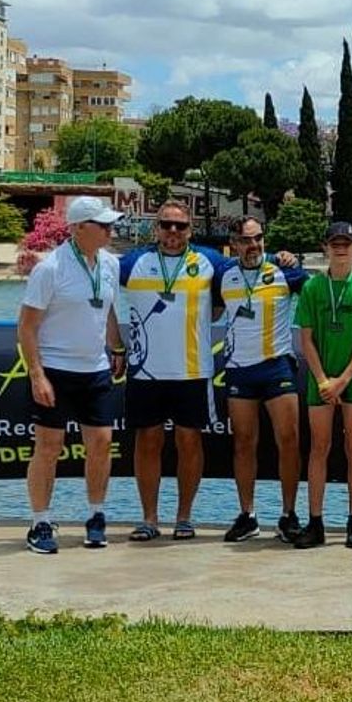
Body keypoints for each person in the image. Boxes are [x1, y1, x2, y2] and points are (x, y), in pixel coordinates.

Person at [17, 196, 126, 553]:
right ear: (79, 228)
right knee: (49, 447)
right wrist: (37, 375)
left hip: (94, 369)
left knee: (101, 443)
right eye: (103, 225)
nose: (111, 230)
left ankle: (95, 516)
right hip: (56, 370)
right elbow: (27, 327)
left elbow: (106, 307)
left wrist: (117, 346)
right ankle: (40, 522)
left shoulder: (109, 263)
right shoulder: (50, 269)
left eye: (111, 224)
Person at [118, 200, 228, 542]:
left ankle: (184, 517)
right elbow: (92, 277)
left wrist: (282, 259)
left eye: (180, 226)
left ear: (190, 230)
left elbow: (252, 266)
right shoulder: (134, 262)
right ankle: (149, 519)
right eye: (166, 224)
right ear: (156, 227)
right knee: (147, 442)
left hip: (192, 370)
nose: (173, 232)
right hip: (145, 371)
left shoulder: (210, 260)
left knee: (188, 441)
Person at [292, 221, 352, 548]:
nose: (341, 248)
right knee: (318, 448)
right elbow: (305, 338)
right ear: (326, 248)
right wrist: (322, 380)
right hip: (320, 380)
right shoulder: (312, 288)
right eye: (335, 243)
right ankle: (315, 522)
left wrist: (342, 381)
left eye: (347, 242)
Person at [215, 215, 309, 544]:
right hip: (239, 368)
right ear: (234, 244)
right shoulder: (223, 274)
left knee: (289, 440)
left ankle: (288, 514)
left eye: (258, 238)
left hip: (277, 366)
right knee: (243, 443)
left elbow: (317, 298)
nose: (253, 245)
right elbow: (209, 309)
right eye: (245, 240)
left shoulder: (284, 268)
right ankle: (248, 515)